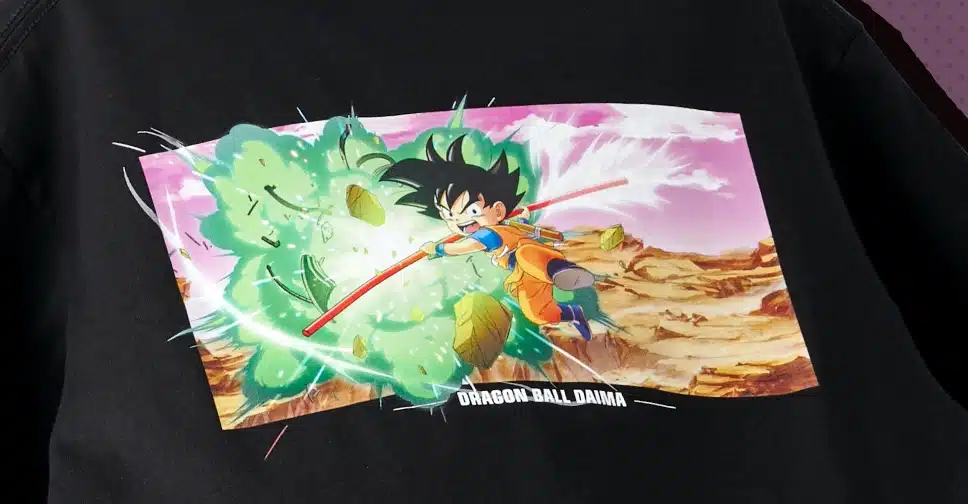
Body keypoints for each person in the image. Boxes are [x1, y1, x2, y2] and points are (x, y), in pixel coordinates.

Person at [381, 135, 596, 339]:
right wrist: (523, 218)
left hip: (535, 258)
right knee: (537, 313)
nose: (460, 221)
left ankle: (562, 270)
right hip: (522, 274)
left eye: (472, 211)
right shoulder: (501, 225)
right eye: (449, 216)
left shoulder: (487, 234)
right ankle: (573, 313)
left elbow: (465, 247)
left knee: (527, 255)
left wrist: (438, 249)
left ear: (498, 210)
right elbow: (517, 226)